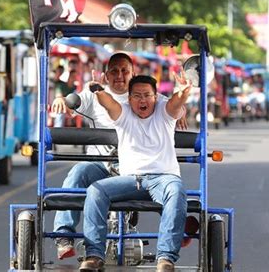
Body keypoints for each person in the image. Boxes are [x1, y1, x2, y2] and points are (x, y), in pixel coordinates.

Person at [50, 53, 188, 260]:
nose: (120, 76)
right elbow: (73, 103)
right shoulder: (94, 94)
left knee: (170, 188)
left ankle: (177, 231)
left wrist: (182, 107)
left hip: (137, 167)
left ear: (133, 74)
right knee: (78, 172)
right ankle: (64, 234)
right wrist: (62, 99)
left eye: (125, 71)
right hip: (101, 165)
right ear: (106, 76)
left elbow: (171, 107)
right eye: (114, 71)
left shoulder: (145, 96)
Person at [79, 74, 191, 271]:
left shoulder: (164, 112)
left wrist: (183, 89)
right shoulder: (123, 114)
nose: (142, 100)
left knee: (176, 190)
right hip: (130, 180)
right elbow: (109, 103)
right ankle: (94, 255)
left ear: (155, 97)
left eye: (147, 95)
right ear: (129, 99)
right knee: (95, 190)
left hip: (163, 178)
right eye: (137, 96)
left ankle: (165, 258)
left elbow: (177, 101)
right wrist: (97, 90)